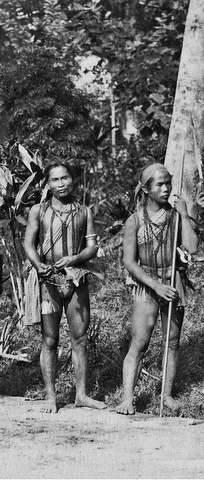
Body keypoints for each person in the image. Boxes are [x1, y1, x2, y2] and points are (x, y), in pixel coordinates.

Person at [116, 163, 198, 415]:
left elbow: (192, 248)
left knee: (172, 342)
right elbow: (129, 262)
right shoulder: (135, 220)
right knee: (139, 342)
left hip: (173, 282)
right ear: (145, 189)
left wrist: (185, 215)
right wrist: (155, 286)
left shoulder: (175, 216)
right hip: (147, 284)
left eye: (168, 183)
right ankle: (127, 399)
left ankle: (167, 395)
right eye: (159, 184)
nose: (165, 188)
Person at [23, 161, 105, 413]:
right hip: (49, 281)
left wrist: (75, 259)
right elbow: (28, 243)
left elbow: (92, 247)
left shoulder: (84, 212)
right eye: (55, 180)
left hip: (76, 278)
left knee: (79, 339)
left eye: (65, 178)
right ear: (47, 184)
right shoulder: (39, 210)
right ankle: (51, 396)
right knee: (49, 340)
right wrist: (38, 265)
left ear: (73, 180)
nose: (61, 184)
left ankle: (81, 395)